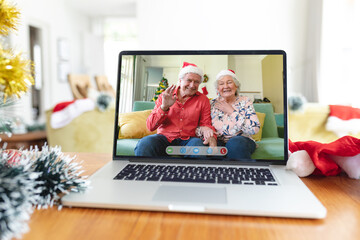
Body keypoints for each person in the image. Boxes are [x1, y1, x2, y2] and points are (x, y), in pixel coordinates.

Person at [134, 62, 217, 157]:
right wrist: (164, 107)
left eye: (196, 82)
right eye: (189, 80)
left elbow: (205, 124)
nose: (192, 85)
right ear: (180, 80)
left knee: (198, 146)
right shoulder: (165, 96)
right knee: (145, 144)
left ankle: (193, 172)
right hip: (164, 138)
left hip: (189, 140)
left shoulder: (203, 100)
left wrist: (212, 137)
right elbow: (150, 126)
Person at [197, 69, 260, 159]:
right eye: (221, 84)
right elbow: (201, 126)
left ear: (236, 86)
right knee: (205, 147)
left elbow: (254, 129)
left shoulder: (245, 101)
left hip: (241, 140)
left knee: (235, 144)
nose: (225, 86)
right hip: (217, 141)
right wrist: (209, 136)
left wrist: (231, 111)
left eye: (229, 82)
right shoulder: (211, 104)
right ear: (218, 89)